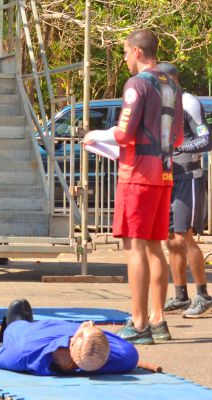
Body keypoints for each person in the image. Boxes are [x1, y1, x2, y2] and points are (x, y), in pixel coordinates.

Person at [84, 30, 184, 344]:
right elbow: (178, 138)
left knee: (135, 248)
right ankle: (158, 319)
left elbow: (125, 133)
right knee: (155, 247)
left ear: (137, 52)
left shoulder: (137, 84)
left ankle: (139, 322)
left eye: (126, 52)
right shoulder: (172, 86)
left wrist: (95, 136)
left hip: (137, 175)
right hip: (164, 174)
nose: (125, 58)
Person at [157, 62, 212, 318]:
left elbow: (205, 140)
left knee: (184, 236)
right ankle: (180, 295)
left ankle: (202, 294)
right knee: (170, 239)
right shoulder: (161, 105)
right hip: (167, 177)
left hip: (188, 177)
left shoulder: (189, 102)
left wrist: (178, 149)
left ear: (172, 80)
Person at [0, 299, 138, 376]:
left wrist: (86, 329)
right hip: (49, 337)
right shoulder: (125, 357)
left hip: (30, 332)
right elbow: (119, 345)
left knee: (15, 327)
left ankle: (18, 321)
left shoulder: (25, 350)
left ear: (72, 341)